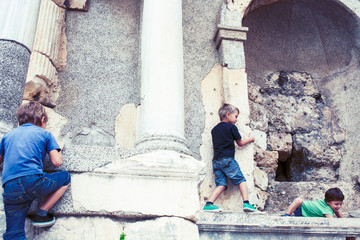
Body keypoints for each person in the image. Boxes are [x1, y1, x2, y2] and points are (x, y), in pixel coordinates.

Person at [0, 101, 71, 239]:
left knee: (14, 233)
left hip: (10, 188)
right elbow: (57, 162)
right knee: (65, 177)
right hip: (33, 181)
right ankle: (42, 213)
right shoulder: (45, 134)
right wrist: (58, 148)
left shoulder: (7, 136)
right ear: (43, 119)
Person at [203, 103, 258, 212]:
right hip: (227, 160)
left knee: (222, 184)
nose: (236, 120)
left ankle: (209, 204)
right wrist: (251, 139)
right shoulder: (232, 127)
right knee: (241, 180)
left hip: (216, 161)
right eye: (236, 116)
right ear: (228, 115)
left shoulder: (214, 129)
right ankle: (246, 203)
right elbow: (240, 143)